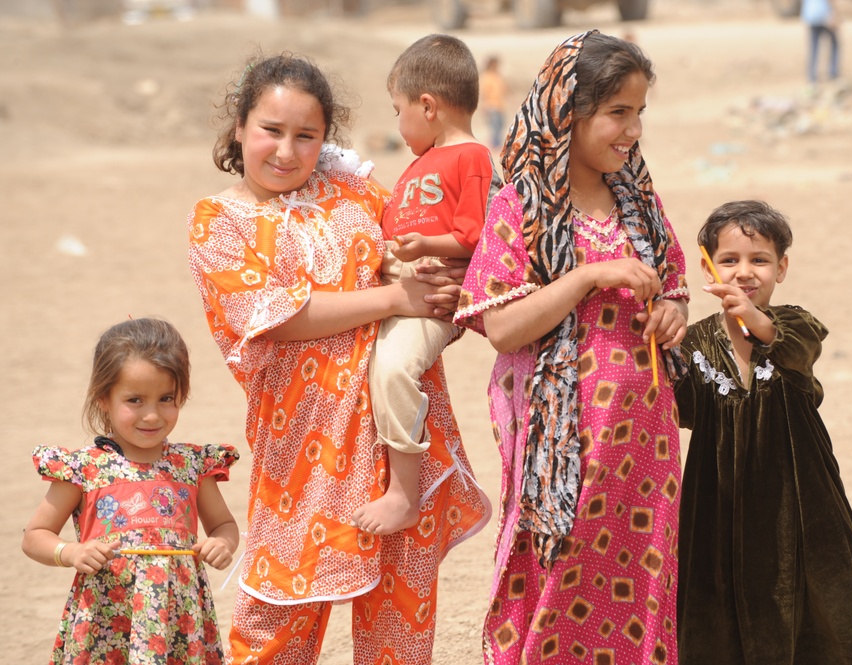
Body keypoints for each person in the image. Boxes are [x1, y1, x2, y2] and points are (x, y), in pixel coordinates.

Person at [187, 53, 489, 664]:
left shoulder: (355, 190)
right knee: (274, 631)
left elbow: (428, 241)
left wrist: (439, 287)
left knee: (400, 633)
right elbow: (279, 317)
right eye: (271, 130)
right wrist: (396, 296)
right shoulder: (218, 221)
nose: (287, 151)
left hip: (401, 447)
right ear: (239, 127)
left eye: (308, 136)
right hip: (301, 454)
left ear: (327, 139)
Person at [455, 31, 689, 664]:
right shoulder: (520, 207)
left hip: (646, 444)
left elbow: (673, 284)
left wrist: (672, 309)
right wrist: (587, 276)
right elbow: (502, 327)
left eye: (639, 113)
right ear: (569, 111)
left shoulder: (637, 201)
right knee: (558, 573)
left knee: (641, 582)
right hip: (563, 449)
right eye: (618, 112)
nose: (632, 130)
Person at [674, 200, 852, 664]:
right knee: (718, 593)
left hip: (803, 498)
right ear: (707, 267)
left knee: (822, 591)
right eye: (729, 260)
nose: (744, 272)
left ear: (781, 268)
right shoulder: (693, 343)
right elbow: (681, 410)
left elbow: (787, 346)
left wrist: (752, 316)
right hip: (719, 501)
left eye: (759, 260)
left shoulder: (795, 326)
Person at [22, 317, 239, 665]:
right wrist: (70, 552)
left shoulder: (192, 465)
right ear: (103, 399)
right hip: (106, 620)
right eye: (135, 400)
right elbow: (35, 535)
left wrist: (221, 544)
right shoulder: (84, 469)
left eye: (166, 398)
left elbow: (224, 526)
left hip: (179, 621)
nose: (152, 415)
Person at [351, 34, 499, 536]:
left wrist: (422, 246)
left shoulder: (473, 157)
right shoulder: (418, 164)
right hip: (401, 283)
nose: (398, 123)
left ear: (428, 105)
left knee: (393, 370)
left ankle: (404, 493)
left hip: (432, 294)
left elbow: (478, 234)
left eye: (399, 109)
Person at [801, 0, 840, 84]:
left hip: (811, 16)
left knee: (814, 47)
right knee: (834, 43)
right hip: (824, 16)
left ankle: (812, 75)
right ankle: (833, 72)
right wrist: (834, 14)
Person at [478, 55, 508, 152]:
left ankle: (497, 144)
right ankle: (494, 145)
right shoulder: (486, 76)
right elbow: (483, 92)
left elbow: (503, 90)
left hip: (500, 105)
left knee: (500, 125)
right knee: (494, 126)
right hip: (491, 105)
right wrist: (484, 106)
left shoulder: (497, 76)